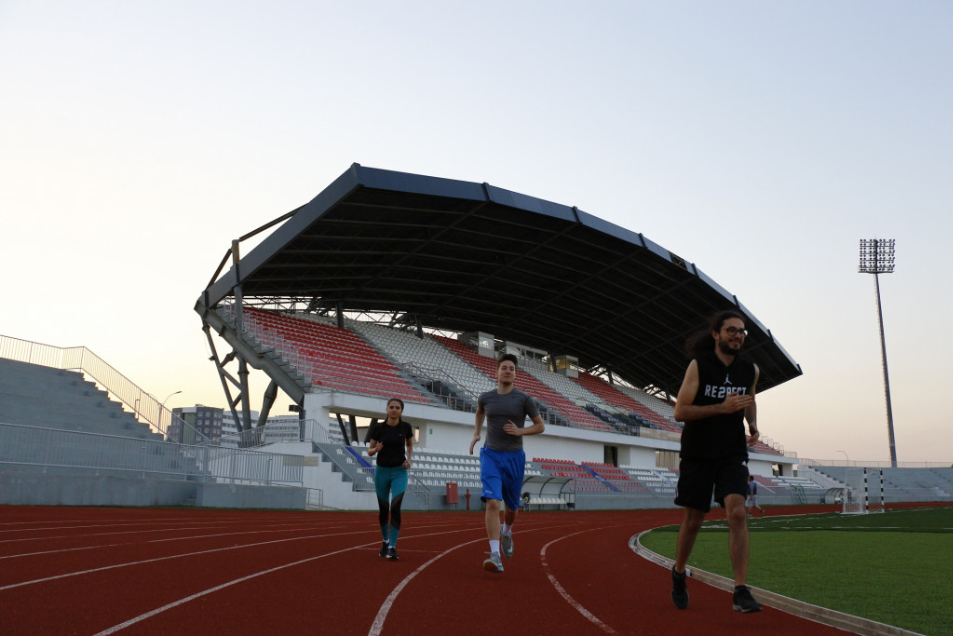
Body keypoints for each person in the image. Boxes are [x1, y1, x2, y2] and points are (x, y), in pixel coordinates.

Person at [670, 310, 763, 613]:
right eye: (731, 330)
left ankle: (740, 590)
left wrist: (752, 423)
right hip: (698, 452)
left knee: (737, 513)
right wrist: (721, 408)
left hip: (732, 453)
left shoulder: (750, 369)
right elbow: (680, 412)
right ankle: (679, 571)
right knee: (694, 521)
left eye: (741, 332)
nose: (737, 336)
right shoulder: (699, 365)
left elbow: (749, 399)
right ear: (716, 334)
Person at [469, 353, 545, 573]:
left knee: (511, 508)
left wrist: (520, 431)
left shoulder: (524, 399)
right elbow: (480, 412)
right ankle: (495, 554)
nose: (508, 371)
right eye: (504, 367)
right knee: (493, 503)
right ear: (497, 371)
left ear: (515, 373)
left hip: (514, 458)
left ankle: (507, 531)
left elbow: (540, 426)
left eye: (512, 368)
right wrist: (476, 433)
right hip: (490, 455)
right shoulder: (486, 397)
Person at [367, 397, 414, 561]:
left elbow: (410, 445)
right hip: (382, 472)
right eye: (391, 407)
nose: (394, 410)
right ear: (387, 409)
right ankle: (385, 542)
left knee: (395, 507)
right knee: (383, 509)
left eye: (397, 407)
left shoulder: (406, 427)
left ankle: (393, 546)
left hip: (399, 472)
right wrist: (375, 449)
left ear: (401, 410)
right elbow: (369, 451)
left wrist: (409, 459)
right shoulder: (378, 428)